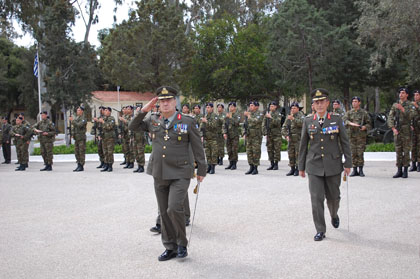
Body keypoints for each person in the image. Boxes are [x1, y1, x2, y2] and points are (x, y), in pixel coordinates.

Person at [128, 86, 206, 261]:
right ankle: (169, 247)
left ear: (175, 102)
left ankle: (181, 244)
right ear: (158, 103)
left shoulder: (187, 121)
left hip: (180, 172)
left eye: (168, 100)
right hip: (159, 172)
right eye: (161, 101)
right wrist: (144, 110)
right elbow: (132, 126)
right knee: (163, 212)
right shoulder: (152, 119)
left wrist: (201, 169)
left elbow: (197, 147)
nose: (165, 104)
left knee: (173, 208)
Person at [298, 88, 351, 241]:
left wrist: (348, 163)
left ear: (327, 103)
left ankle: (334, 214)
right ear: (313, 105)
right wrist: (301, 166)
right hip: (314, 165)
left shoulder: (336, 119)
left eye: (322, 102)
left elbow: (345, 142)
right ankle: (320, 229)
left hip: (333, 165)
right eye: (316, 102)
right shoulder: (308, 121)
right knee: (316, 199)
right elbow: (303, 145)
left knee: (334, 197)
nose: (319, 105)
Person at [387, 88, 414, 178]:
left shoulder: (410, 105)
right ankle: (399, 170)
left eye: (403, 93)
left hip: (406, 130)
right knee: (398, 150)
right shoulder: (395, 105)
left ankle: (405, 170)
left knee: (406, 150)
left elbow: (411, 116)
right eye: (400, 93)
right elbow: (390, 116)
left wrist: (402, 109)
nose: (401, 94)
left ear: (407, 95)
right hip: (397, 130)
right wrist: (393, 128)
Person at [343, 97, 371, 177]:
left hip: (360, 136)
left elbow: (369, 123)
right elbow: (344, 120)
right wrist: (350, 123)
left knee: (360, 152)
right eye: (353, 102)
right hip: (351, 135)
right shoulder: (349, 113)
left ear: (359, 103)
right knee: (353, 153)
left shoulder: (364, 113)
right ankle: (354, 170)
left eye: (355, 101)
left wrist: (365, 127)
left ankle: (361, 170)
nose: (354, 103)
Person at [282, 102, 305, 176]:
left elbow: (302, 123)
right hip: (291, 138)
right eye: (292, 108)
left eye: (294, 108)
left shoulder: (301, 115)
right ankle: (292, 168)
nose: (293, 109)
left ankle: (297, 169)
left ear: (298, 109)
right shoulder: (289, 116)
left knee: (298, 154)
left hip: (298, 138)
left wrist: (294, 119)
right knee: (291, 154)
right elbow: (284, 127)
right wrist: (286, 135)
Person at [244, 101, 263, 175]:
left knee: (256, 152)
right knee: (249, 152)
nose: (250, 107)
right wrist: (244, 132)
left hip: (256, 136)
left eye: (252, 105)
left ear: (256, 107)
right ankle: (251, 167)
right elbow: (245, 124)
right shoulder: (248, 113)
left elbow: (257, 121)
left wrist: (249, 116)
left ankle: (255, 168)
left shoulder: (260, 114)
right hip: (249, 136)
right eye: (250, 105)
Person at [200, 103, 220, 174]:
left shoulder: (215, 116)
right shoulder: (205, 116)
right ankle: (208, 166)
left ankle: (213, 167)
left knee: (213, 153)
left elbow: (214, 126)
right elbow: (201, 127)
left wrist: (206, 121)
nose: (207, 109)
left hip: (213, 138)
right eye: (206, 107)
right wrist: (201, 135)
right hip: (206, 138)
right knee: (207, 153)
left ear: (212, 108)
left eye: (208, 107)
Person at [263, 101, 283, 170]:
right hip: (269, 134)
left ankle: (276, 164)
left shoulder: (278, 114)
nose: (271, 107)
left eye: (272, 106)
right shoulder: (268, 114)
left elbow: (278, 122)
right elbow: (264, 123)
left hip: (276, 134)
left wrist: (271, 117)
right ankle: (271, 163)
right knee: (270, 149)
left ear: (275, 107)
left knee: (276, 149)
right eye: (270, 106)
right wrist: (265, 132)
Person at [223, 102, 241, 170]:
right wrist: (224, 133)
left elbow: (237, 123)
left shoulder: (237, 115)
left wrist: (230, 118)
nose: (231, 108)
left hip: (234, 135)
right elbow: (224, 125)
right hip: (228, 135)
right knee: (229, 150)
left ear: (235, 108)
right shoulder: (227, 115)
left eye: (232, 106)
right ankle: (230, 163)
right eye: (230, 106)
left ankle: (234, 163)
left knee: (234, 150)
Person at [98, 107, 116, 172]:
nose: (104, 112)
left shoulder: (112, 119)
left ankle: (110, 166)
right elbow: (101, 128)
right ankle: (106, 165)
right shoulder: (104, 119)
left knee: (109, 152)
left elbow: (109, 127)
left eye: (106, 110)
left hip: (110, 138)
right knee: (105, 152)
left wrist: (103, 122)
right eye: (104, 110)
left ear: (109, 112)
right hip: (104, 138)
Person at [70, 106, 87, 172]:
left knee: (81, 152)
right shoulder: (77, 118)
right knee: (76, 152)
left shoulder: (83, 118)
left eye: (79, 110)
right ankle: (78, 164)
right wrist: (73, 134)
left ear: (82, 111)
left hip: (81, 138)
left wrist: (72, 121)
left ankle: (81, 165)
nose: (78, 111)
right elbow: (74, 128)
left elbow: (79, 125)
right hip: (76, 138)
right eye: (77, 110)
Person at [410, 90, 420, 172]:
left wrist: (417, 106)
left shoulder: (416, 105)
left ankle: (419, 164)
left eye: (417, 95)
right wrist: (410, 124)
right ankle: (413, 164)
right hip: (414, 129)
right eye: (415, 95)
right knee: (413, 146)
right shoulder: (411, 105)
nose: (415, 97)